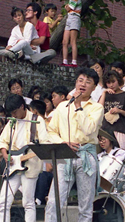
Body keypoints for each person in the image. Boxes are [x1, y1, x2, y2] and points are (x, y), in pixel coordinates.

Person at [44, 67, 104, 222]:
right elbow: (51, 131)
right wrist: (62, 142)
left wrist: (78, 106)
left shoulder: (97, 107)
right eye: (80, 80)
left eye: (88, 82)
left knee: (85, 204)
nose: (82, 84)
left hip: (86, 155)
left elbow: (89, 129)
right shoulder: (62, 106)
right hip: (65, 155)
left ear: (94, 87)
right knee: (54, 200)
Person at [0, 94, 48, 222]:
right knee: (3, 201)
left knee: (28, 203)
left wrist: (37, 151)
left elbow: (45, 142)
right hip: (12, 165)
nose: (13, 115)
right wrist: (5, 155)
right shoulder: (12, 122)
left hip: (30, 165)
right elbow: (3, 141)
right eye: (11, 113)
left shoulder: (37, 120)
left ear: (22, 106)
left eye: (15, 112)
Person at [99, 70, 125, 152]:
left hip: (121, 130)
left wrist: (120, 111)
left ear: (118, 80)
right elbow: (99, 109)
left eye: (113, 82)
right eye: (108, 83)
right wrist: (104, 93)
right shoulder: (105, 95)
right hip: (106, 131)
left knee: (123, 156)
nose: (111, 85)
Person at [62, 0, 82, 67]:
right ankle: (65, 60)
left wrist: (67, 6)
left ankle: (74, 62)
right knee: (64, 41)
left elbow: (68, 8)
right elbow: (67, 8)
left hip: (74, 18)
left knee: (73, 41)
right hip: (69, 18)